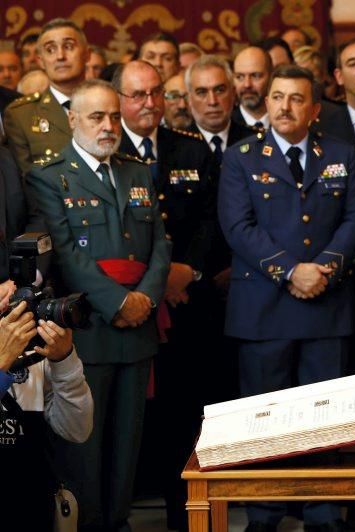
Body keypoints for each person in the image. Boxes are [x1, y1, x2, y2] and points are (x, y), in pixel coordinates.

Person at [218, 64, 355, 532]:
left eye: (296, 98)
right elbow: (238, 227)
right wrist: (290, 271)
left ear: (315, 108)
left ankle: (322, 512)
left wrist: (321, 268)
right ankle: (265, 512)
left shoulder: (341, 153)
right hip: (263, 308)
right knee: (263, 419)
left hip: (326, 304)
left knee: (325, 421)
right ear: (266, 104)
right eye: (277, 97)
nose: (284, 106)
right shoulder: (242, 156)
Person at [27, 78, 171, 531]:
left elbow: (161, 246)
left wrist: (145, 297)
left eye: (113, 115)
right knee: (83, 446)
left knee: (127, 443)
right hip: (88, 330)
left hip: (139, 327)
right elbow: (67, 256)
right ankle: (88, 524)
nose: (108, 126)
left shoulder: (136, 170)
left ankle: (119, 520)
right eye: (96, 116)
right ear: (72, 120)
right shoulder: (49, 176)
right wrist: (119, 303)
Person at [113, 59, 217, 530]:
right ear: (117, 100)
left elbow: (213, 219)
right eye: (138, 95)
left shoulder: (191, 149)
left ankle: (183, 510)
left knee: (183, 408)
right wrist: (153, 282)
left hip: (185, 301)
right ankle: (128, 500)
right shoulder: (105, 151)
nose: (150, 104)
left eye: (158, 93)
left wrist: (187, 271)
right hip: (128, 305)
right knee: (132, 411)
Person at [0, 300, 93, 532]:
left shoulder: (32, 347)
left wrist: (64, 361)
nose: (11, 291)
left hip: (32, 505)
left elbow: (76, 430)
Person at [3, 18, 90, 175]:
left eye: (68, 46)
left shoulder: (113, 104)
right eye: (50, 50)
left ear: (87, 54)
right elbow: (26, 182)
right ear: (41, 61)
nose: (60, 56)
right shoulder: (21, 115)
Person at [232, 46, 273, 131]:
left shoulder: (286, 122)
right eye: (240, 77)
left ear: (271, 77)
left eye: (255, 76)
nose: (247, 85)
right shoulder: (225, 126)